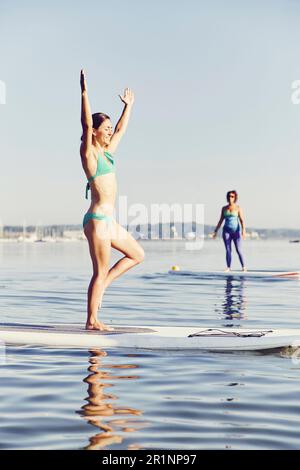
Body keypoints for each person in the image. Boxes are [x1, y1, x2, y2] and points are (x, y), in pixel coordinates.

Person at [80, 69, 144, 331]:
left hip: (109, 220)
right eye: (103, 129)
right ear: (94, 132)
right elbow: (85, 122)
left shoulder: (108, 153)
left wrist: (128, 107)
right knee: (100, 270)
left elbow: (120, 130)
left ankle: (104, 285)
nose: (108, 132)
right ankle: (92, 320)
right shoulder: (90, 155)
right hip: (97, 220)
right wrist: (84, 93)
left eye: (108, 129)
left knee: (137, 254)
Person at [212, 190, 246, 271]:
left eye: (232, 196)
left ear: (235, 198)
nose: (230, 198)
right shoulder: (224, 208)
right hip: (226, 231)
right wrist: (215, 231)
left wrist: (243, 231)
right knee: (228, 250)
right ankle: (228, 267)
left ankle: (244, 267)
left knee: (238, 250)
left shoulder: (238, 208)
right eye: (229, 196)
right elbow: (220, 220)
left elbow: (242, 220)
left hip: (236, 232)